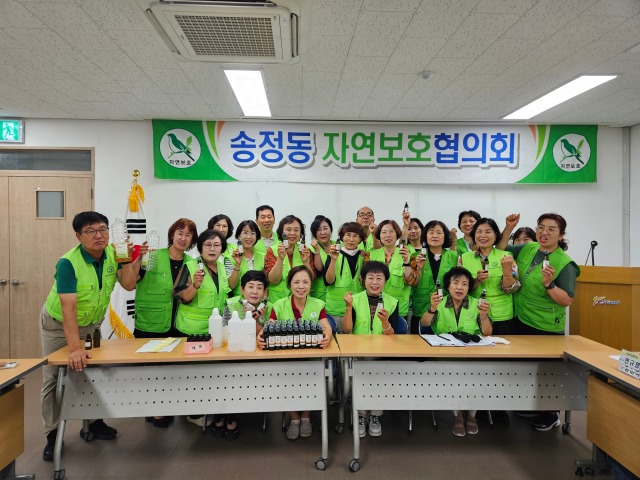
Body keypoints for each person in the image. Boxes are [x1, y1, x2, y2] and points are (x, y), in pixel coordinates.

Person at [40, 211, 137, 461]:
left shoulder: (114, 254)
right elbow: (68, 308)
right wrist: (74, 349)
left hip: (91, 323)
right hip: (57, 324)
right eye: (90, 231)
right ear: (78, 236)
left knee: (92, 371)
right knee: (54, 377)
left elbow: (129, 285)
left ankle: (93, 422)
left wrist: (127, 259)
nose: (98, 235)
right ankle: (52, 433)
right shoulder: (68, 263)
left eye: (103, 229)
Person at [506, 213, 580, 432]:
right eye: (541, 227)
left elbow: (566, 300)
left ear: (561, 235)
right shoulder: (529, 248)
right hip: (521, 318)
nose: (544, 232)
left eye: (551, 229)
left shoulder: (564, 263)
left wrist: (549, 285)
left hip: (545, 326)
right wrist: (508, 228)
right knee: (527, 369)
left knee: (546, 372)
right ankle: (533, 407)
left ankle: (550, 414)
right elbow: (501, 248)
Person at [134, 217, 198, 428]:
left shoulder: (191, 263)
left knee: (173, 370)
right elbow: (132, 280)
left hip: (178, 323)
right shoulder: (152, 255)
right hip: (150, 322)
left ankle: (170, 406)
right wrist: (137, 259)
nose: (183, 238)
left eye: (188, 235)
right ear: (172, 234)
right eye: (180, 233)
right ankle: (155, 410)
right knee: (151, 370)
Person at [257, 266, 332, 440]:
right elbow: (269, 326)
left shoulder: (318, 304)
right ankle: (294, 418)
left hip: (311, 359)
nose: (301, 286)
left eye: (305, 282)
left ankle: (306, 416)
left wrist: (327, 336)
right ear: (289, 284)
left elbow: (325, 325)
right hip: (287, 359)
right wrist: (261, 336)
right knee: (286, 383)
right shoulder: (279, 305)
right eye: (296, 282)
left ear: (311, 284)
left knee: (313, 381)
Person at [419, 266, 492, 437]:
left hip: (473, 356)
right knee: (454, 375)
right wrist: (432, 308)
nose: (460, 287)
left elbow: (487, 332)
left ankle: (471, 415)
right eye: (456, 283)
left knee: (478, 376)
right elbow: (424, 323)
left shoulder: (477, 304)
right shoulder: (439, 302)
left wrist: (483, 316)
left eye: (465, 284)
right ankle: (458, 413)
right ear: (448, 286)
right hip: (445, 356)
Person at [174, 229, 230, 431]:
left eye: (216, 245)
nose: (212, 249)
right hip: (192, 331)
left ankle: (209, 408)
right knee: (194, 375)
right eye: (207, 245)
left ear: (222, 248)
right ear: (200, 248)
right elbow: (180, 296)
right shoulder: (190, 266)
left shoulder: (222, 267)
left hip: (215, 330)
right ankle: (194, 413)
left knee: (211, 374)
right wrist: (195, 286)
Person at [343, 261, 401, 438]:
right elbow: (346, 330)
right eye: (371, 277)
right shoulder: (355, 299)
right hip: (358, 353)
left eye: (379, 278)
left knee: (379, 379)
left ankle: (375, 415)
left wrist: (385, 322)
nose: (374, 282)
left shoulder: (392, 302)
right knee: (359, 378)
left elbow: (392, 335)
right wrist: (348, 308)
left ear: (385, 281)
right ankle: (360, 415)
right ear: (363, 279)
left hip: (381, 354)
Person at [214, 270, 271, 440]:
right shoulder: (231, 305)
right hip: (233, 355)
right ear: (242, 289)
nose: (254, 291)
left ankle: (232, 415)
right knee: (227, 374)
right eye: (250, 287)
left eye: (259, 287)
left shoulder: (270, 307)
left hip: (260, 357)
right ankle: (225, 413)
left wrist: (253, 320)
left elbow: (268, 336)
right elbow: (225, 333)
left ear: (265, 292)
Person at [462, 218, 519, 335]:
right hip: (474, 312)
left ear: (495, 235)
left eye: (488, 232)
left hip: (502, 314)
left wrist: (507, 272)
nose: (483, 235)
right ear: (474, 235)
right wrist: (477, 280)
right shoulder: (464, 258)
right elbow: (460, 289)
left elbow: (511, 289)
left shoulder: (506, 256)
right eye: (479, 231)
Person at [409, 220, 458, 334]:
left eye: (439, 232)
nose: (435, 235)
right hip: (421, 309)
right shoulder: (415, 256)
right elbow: (412, 284)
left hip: (445, 310)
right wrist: (418, 268)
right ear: (425, 235)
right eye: (431, 232)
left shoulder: (454, 256)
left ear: (445, 236)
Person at [324, 222, 366, 333]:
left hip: (357, 310)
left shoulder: (363, 257)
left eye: (355, 236)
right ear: (342, 237)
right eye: (348, 235)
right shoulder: (332, 255)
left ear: (360, 239)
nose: (351, 239)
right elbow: (328, 281)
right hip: (335, 311)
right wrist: (333, 260)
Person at [366, 220, 412, 320]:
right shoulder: (371, 255)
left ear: (397, 234)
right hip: (375, 307)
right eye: (384, 232)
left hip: (399, 308)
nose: (388, 235)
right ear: (379, 235)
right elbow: (363, 281)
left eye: (391, 231)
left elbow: (411, 281)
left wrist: (406, 261)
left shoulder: (408, 254)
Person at [264, 215, 314, 303]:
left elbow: (311, 278)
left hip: (301, 301)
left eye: (296, 230)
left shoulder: (305, 250)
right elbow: (273, 281)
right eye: (288, 229)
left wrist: (306, 261)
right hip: (278, 302)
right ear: (282, 232)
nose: (292, 233)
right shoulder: (272, 250)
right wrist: (280, 259)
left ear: (300, 233)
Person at [227, 220, 265, 295]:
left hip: (258, 299)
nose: (249, 237)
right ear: (239, 236)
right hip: (239, 300)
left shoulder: (263, 257)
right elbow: (231, 286)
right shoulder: (230, 258)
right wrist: (237, 264)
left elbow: (266, 283)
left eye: (252, 233)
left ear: (257, 236)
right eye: (245, 233)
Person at [309, 215, 334, 302]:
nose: (322, 232)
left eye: (325, 228)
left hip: (336, 295)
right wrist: (316, 250)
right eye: (318, 230)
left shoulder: (340, 246)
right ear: (314, 233)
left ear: (331, 230)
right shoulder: (310, 249)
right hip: (318, 295)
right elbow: (319, 271)